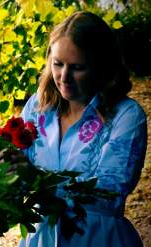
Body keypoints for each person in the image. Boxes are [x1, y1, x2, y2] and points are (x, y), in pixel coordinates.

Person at [19, 11, 147, 246]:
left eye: (77, 67)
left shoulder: (126, 116)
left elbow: (110, 195)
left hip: (97, 239)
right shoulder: (37, 107)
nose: (64, 77)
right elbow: (19, 177)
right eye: (57, 64)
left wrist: (36, 179)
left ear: (102, 66)